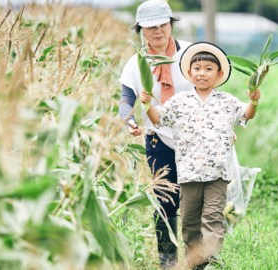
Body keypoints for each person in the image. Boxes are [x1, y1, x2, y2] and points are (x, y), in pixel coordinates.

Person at [141, 42, 261, 269]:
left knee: (213, 219)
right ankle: (194, 262)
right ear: (189, 73)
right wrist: (147, 104)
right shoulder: (178, 102)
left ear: (219, 74)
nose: (202, 73)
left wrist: (254, 100)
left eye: (208, 69)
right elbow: (159, 119)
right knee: (190, 222)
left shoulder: (226, 101)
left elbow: (246, 114)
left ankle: (210, 261)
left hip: (218, 173)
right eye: (197, 68)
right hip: (188, 173)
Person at [118, 0, 194, 268]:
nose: (157, 31)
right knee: (165, 198)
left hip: (196, 139)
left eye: (162, 24)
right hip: (157, 137)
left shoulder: (191, 53)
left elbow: (213, 90)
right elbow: (126, 99)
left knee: (198, 198)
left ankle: (201, 257)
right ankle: (168, 260)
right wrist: (127, 121)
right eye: (149, 27)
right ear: (140, 30)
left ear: (171, 24)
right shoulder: (136, 63)